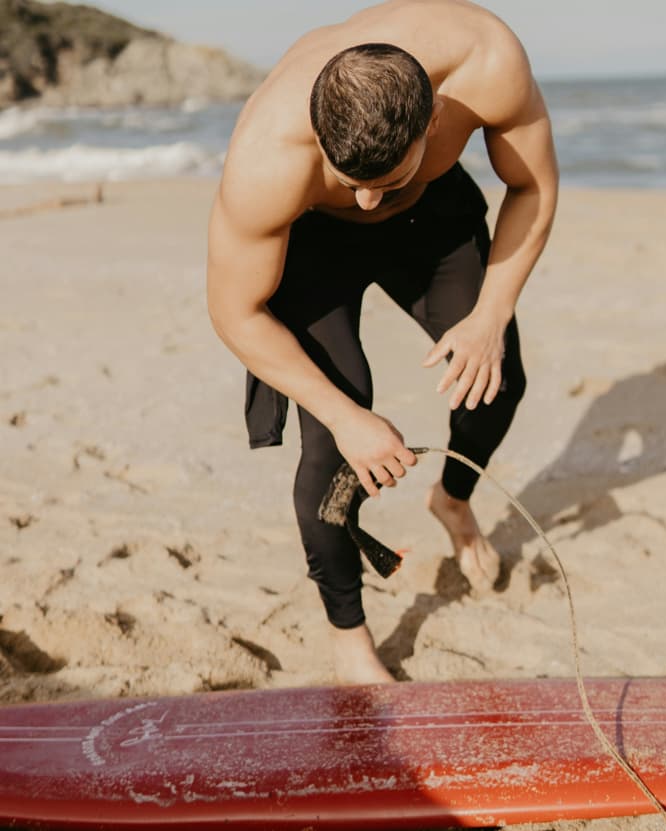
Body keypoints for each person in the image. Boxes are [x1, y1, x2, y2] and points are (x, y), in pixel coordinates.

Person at [206, 0, 559, 684]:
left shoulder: (486, 60)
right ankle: (350, 635)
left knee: (499, 378)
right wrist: (346, 415)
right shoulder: (268, 158)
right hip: (312, 239)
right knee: (334, 451)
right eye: (353, 184)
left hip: (433, 215)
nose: (366, 203)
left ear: (432, 119)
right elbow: (234, 312)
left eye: (382, 183)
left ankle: (452, 499)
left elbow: (533, 187)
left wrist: (491, 313)